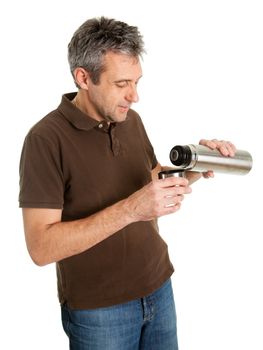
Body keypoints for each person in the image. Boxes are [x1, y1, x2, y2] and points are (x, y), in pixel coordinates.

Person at [19, 17, 236, 350]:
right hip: (100, 312)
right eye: (121, 83)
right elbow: (41, 247)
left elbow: (148, 183)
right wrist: (131, 210)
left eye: (136, 81)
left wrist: (196, 164)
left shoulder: (129, 119)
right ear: (83, 78)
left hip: (159, 287)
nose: (135, 96)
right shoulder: (45, 140)